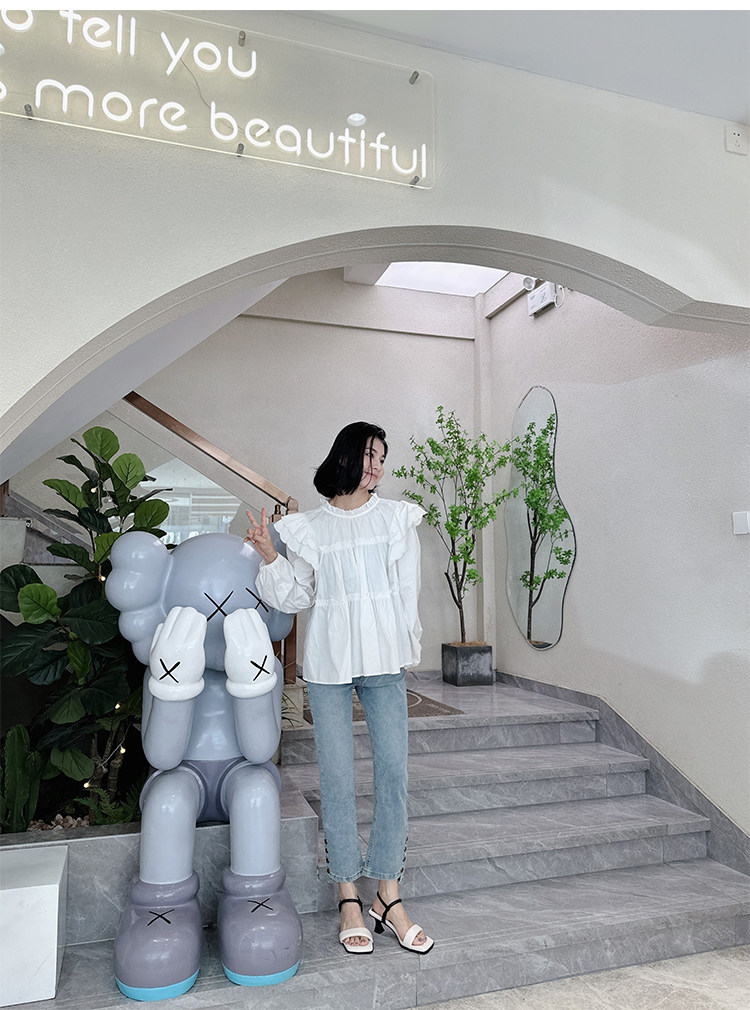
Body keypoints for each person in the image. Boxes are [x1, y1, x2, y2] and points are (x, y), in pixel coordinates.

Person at [245, 421, 434, 956]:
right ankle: (348, 894)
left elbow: (406, 593)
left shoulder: (397, 519)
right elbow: (297, 597)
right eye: (370, 455)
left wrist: (405, 647)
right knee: (337, 778)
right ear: (346, 456)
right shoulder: (310, 528)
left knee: (393, 772)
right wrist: (270, 555)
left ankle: (388, 896)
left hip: (383, 661)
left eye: (382, 458)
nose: (377, 466)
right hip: (329, 663)